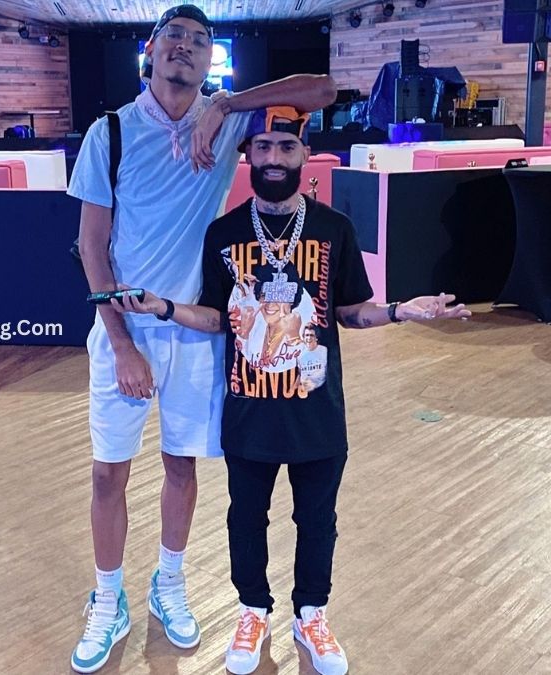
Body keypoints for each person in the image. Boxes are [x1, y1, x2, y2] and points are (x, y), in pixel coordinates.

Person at [111, 105, 470, 675]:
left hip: (317, 412)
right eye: (263, 149)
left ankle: (311, 614)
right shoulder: (224, 234)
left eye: (285, 148)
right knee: (245, 519)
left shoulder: (334, 229)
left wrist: (401, 310)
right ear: (247, 157)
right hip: (248, 410)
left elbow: (350, 313)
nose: (273, 159)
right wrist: (162, 307)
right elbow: (216, 317)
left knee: (317, 520)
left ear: (306, 157)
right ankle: (253, 611)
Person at [66, 4, 337, 672]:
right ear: (151, 53)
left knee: (181, 466)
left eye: (199, 42)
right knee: (108, 473)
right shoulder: (111, 132)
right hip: (122, 329)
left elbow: (322, 91)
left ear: (208, 59)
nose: (185, 48)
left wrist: (229, 102)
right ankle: (108, 597)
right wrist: (123, 342)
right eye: (175, 39)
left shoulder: (230, 117)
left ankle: (170, 583)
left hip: (192, 334)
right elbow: (90, 247)